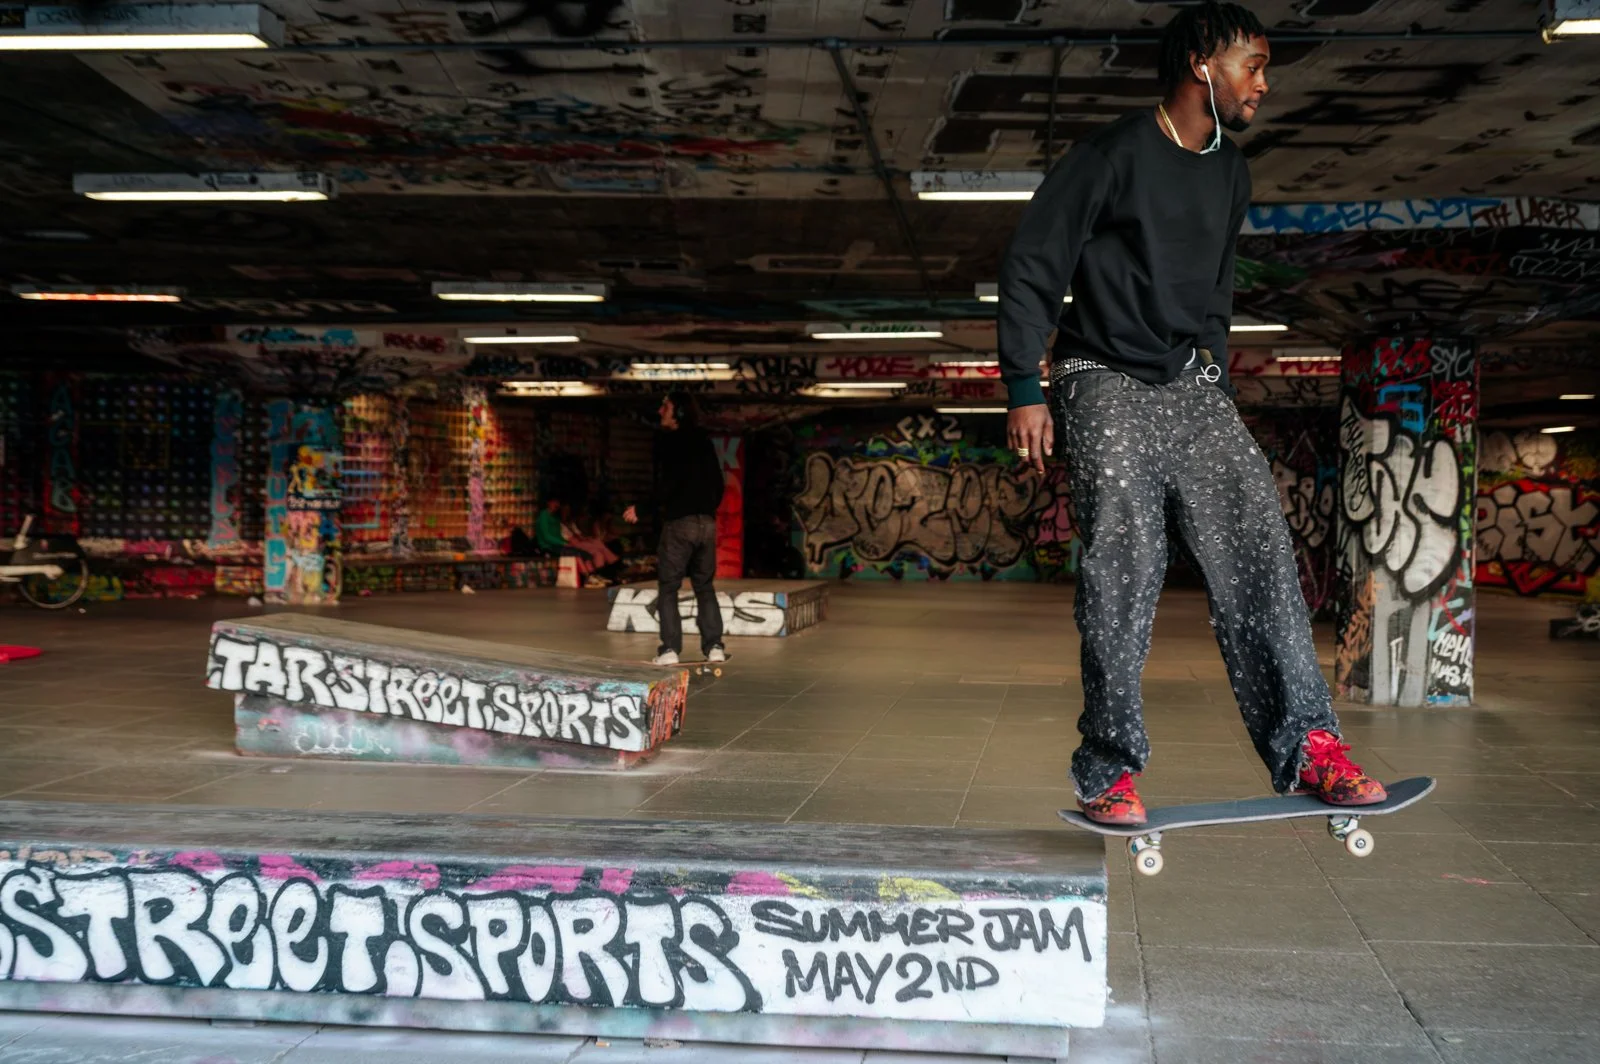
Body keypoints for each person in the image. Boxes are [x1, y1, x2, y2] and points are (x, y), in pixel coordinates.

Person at [997, 1, 1385, 826]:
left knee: (1261, 547)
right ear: (1202, 65)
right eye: (1254, 65)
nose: (1263, 84)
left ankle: (1309, 744)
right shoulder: (1108, 156)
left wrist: (1212, 364)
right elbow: (1033, 263)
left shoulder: (1230, 171)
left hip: (1190, 382)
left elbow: (1216, 288)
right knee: (1124, 561)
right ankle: (1108, 768)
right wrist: (1025, 387)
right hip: (1100, 374)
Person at [624, 392, 727, 666]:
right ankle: (714, 646)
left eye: (665, 406)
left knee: (669, 587)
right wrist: (706, 508)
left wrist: (643, 508)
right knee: (704, 586)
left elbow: (667, 485)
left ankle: (670, 649)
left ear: (678, 412)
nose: (660, 411)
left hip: (680, 523)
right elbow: (719, 484)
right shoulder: (704, 441)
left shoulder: (671, 442)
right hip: (707, 524)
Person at [535, 498, 619, 588]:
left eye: (557, 502)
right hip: (550, 546)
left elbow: (559, 535)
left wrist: (565, 542)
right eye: (554, 502)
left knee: (586, 554)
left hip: (560, 544)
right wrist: (564, 543)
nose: (556, 505)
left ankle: (594, 575)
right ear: (548, 503)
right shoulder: (544, 516)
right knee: (576, 554)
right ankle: (588, 577)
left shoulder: (555, 518)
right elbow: (547, 536)